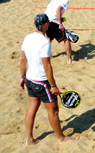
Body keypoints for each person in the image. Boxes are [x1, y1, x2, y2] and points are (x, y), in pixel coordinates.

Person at [20, 14, 76, 145]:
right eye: (48, 23)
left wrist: (22, 77)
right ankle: (61, 138)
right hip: (42, 82)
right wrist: (53, 86)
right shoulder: (45, 42)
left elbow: (23, 60)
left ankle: (29, 139)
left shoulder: (27, 37)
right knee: (53, 110)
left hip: (29, 79)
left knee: (32, 107)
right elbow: (47, 66)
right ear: (45, 25)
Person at [44, 0, 77, 64]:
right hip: (53, 21)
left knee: (49, 38)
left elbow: (53, 9)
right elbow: (58, 10)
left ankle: (45, 56)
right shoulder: (65, 1)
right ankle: (69, 60)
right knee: (66, 39)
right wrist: (60, 24)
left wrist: (60, 18)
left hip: (46, 20)